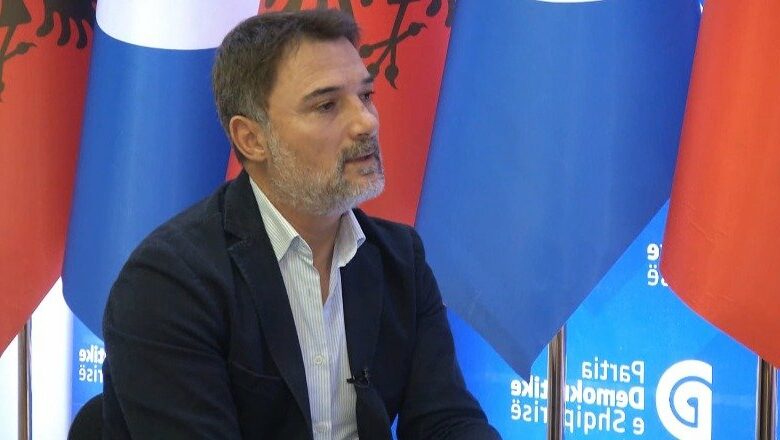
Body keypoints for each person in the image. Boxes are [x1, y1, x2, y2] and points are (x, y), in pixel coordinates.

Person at [102, 9, 500, 440]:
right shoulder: (170, 281)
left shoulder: (400, 259)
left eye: (365, 96)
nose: (366, 122)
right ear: (252, 139)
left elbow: (446, 420)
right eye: (327, 105)